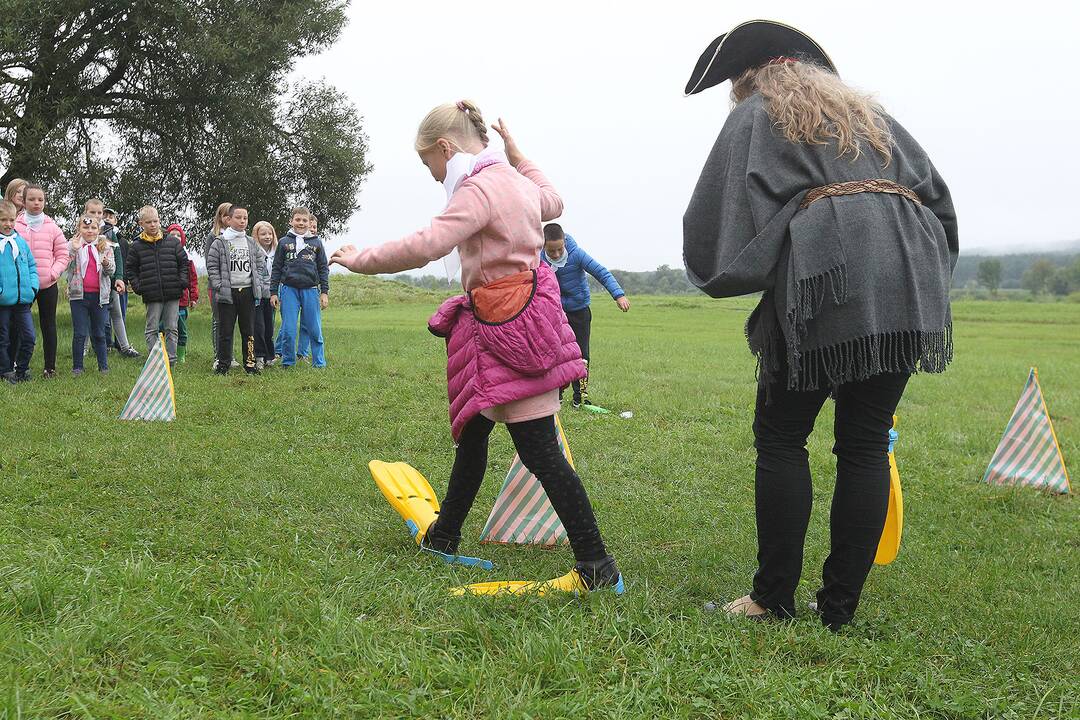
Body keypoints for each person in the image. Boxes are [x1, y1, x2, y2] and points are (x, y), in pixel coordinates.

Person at [681, 21, 957, 630]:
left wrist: (767, 251)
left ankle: (772, 597)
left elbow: (716, 217)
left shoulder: (756, 115)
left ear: (750, 80)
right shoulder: (876, 123)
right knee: (865, 443)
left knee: (782, 436)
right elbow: (939, 202)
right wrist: (917, 276)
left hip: (826, 278)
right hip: (908, 281)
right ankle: (839, 611)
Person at [330, 101, 622, 594]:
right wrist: (518, 153)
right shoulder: (514, 179)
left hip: (507, 327)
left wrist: (362, 260)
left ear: (446, 148)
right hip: (511, 320)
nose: (432, 175)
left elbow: (428, 243)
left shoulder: (479, 189)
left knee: (541, 452)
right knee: (475, 432)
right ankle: (444, 537)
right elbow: (553, 200)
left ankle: (598, 565)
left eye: (430, 164)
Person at [540, 223, 629, 408]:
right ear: (543, 246)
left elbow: (601, 272)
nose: (556, 254)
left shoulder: (577, 254)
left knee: (581, 354)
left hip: (579, 310)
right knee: (556, 353)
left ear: (564, 242)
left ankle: (580, 396)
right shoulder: (538, 258)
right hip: (554, 313)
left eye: (559, 249)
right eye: (551, 251)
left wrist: (618, 295)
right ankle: (556, 394)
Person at [205, 205, 268, 374]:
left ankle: (250, 364)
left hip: (247, 292)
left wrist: (258, 284)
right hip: (227, 293)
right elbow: (212, 266)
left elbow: (260, 265)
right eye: (238, 217)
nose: (242, 221)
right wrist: (219, 285)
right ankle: (223, 364)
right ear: (229, 220)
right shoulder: (220, 242)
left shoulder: (251, 242)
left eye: (245, 218)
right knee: (225, 331)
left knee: (249, 331)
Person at [14, 183, 68, 378]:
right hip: (23, 285)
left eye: (40, 199)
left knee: (48, 325)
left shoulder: (52, 227)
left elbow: (63, 254)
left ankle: (49, 368)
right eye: (31, 199)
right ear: (24, 201)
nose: (36, 203)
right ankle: (15, 366)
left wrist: (53, 273)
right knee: (17, 325)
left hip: (47, 284)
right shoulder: (15, 226)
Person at [125, 205, 189, 364]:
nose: (153, 225)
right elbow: (130, 269)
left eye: (155, 221)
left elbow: (184, 264)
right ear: (141, 223)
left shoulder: (173, 243)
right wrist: (138, 286)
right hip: (151, 294)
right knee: (152, 328)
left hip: (173, 291)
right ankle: (156, 360)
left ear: (160, 221)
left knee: (171, 327)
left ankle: (171, 360)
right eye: (148, 222)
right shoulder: (136, 246)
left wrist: (182, 282)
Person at [269, 207, 328, 368]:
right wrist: (273, 292)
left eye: (304, 220)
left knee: (314, 329)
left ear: (310, 223)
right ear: (291, 221)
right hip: (289, 290)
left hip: (310, 290)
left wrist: (324, 292)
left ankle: (319, 363)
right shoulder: (283, 242)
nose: (301, 223)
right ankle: (288, 362)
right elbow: (277, 268)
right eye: (298, 220)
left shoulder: (317, 243)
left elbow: (323, 268)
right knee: (288, 329)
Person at [85, 199, 140, 358]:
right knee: (87, 314)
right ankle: (84, 349)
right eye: (92, 212)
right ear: (85, 212)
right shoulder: (83, 230)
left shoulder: (110, 232)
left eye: (99, 213)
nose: (96, 215)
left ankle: (124, 346)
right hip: (88, 282)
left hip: (108, 279)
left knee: (116, 313)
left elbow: (118, 257)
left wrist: (119, 278)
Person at [63, 215, 115, 375]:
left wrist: (106, 263)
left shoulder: (105, 246)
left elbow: (111, 271)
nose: (89, 231)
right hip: (79, 296)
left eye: (93, 228)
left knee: (99, 333)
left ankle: (103, 366)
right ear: (79, 229)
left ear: (98, 229)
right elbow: (65, 264)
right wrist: (74, 248)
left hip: (100, 297)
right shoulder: (73, 245)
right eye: (85, 228)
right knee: (80, 333)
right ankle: (77, 367)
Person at [0, 199, 37, 384]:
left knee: (29, 337)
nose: (8, 224)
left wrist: (32, 287)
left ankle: (22, 369)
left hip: (23, 300)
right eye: (3, 220)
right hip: (3, 302)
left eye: (11, 220)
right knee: (3, 338)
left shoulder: (20, 242)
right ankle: (6, 371)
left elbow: (31, 265)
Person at [164, 224, 199, 363]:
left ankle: (181, 354)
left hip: (182, 301)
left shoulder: (187, 259)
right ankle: (164, 351)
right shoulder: (164, 255)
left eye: (178, 235)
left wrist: (193, 297)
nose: (175, 238)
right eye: (172, 235)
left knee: (181, 327)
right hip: (166, 298)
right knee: (164, 326)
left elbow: (193, 280)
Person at [208, 201, 232, 367]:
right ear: (220, 217)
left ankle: (229, 355)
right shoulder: (213, 236)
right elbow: (210, 262)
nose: (229, 218)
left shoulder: (238, 236)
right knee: (218, 320)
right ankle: (219, 355)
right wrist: (218, 283)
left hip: (234, 285)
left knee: (229, 320)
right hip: (216, 285)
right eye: (226, 215)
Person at [251, 220, 278, 368]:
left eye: (270, 233)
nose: (267, 237)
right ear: (257, 236)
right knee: (258, 326)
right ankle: (259, 356)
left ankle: (270, 356)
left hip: (272, 295)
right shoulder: (254, 251)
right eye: (263, 234)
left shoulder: (277, 251)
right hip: (257, 295)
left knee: (269, 327)